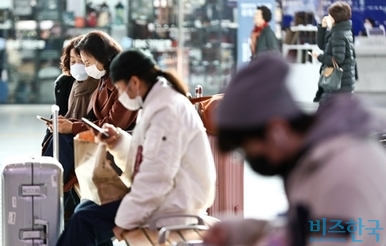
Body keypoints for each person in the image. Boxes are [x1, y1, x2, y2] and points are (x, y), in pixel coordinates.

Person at [202, 54, 386, 246]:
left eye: (246, 150)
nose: (249, 159)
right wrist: (237, 231)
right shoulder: (316, 163)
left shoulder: (343, 173)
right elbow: (312, 229)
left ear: (276, 132)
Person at [55, 49, 217, 246]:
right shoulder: (157, 102)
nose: (122, 95)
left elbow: (157, 177)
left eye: (121, 89)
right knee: (87, 209)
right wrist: (119, 141)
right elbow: (147, 158)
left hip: (177, 201)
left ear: (134, 82)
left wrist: (125, 220)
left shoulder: (166, 110)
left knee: (85, 219)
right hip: (167, 194)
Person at [43, 31, 138, 185]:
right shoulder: (103, 79)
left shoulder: (123, 84)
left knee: (63, 142)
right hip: (102, 138)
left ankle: (47, 186)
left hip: (117, 143)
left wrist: (73, 126)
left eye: (87, 62)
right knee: (59, 138)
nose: (86, 68)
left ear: (102, 57)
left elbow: (112, 125)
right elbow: (96, 119)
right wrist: (68, 123)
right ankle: (49, 187)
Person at [311, 2, 355, 105]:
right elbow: (323, 45)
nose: (328, 17)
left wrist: (319, 56)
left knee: (325, 116)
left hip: (337, 84)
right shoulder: (341, 30)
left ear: (336, 17)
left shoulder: (338, 34)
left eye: (330, 15)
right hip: (343, 83)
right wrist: (322, 27)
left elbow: (338, 59)